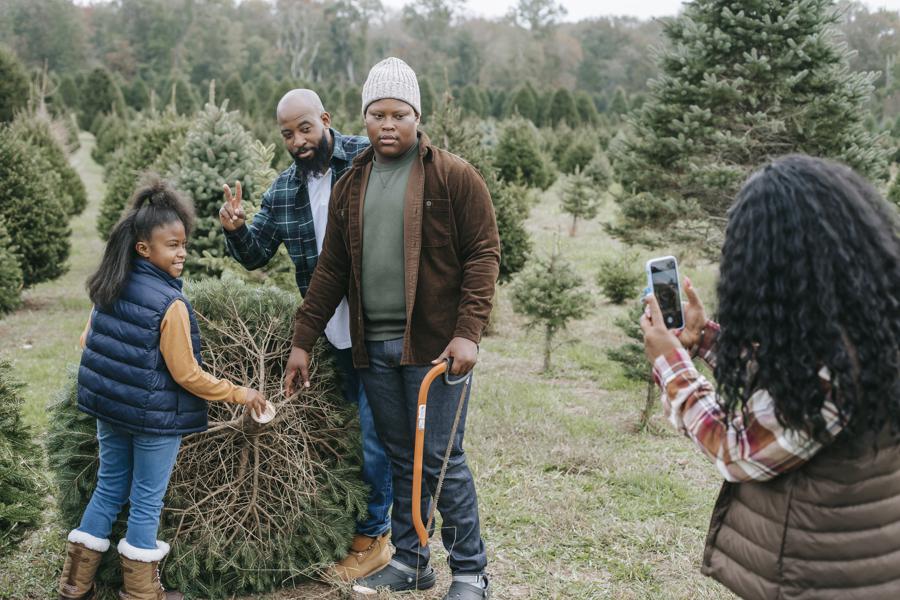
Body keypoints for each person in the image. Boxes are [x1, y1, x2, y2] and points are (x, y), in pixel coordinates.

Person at [283, 57, 499, 600]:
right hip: (373, 347)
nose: (386, 125)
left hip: (434, 350)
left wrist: (468, 332)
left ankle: (472, 572)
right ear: (363, 117)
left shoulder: (452, 175)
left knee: (443, 460)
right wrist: (302, 341)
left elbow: (483, 254)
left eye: (398, 114)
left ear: (416, 116)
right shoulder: (352, 183)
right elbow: (331, 268)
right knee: (403, 457)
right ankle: (411, 562)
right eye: (376, 114)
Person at [641, 154, 900, 600]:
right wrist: (705, 341)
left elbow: (736, 448)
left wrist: (672, 366)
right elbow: (789, 384)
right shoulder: (870, 323)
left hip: (825, 576)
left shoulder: (837, 371)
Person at [57, 176, 266, 600]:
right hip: (154, 421)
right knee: (147, 498)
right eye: (172, 245)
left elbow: (86, 342)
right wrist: (241, 393)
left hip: (112, 411)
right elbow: (187, 374)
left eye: (184, 244)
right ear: (144, 248)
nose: (182, 253)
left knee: (110, 486)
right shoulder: (170, 303)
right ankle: (141, 593)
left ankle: (74, 584)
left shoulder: (109, 284)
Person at [219, 88, 393, 581]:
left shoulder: (365, 157)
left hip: (377, 324)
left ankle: (376, 535)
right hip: (329, 333)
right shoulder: (282, 192)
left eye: (305, 128)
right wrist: (234, 229)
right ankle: (372, 522)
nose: (297, 140)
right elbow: (255, 254)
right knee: (356, 434)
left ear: (325, 119)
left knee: (376, 432)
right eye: (287, 134)